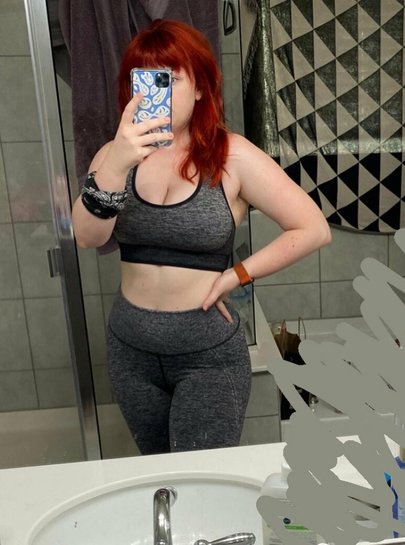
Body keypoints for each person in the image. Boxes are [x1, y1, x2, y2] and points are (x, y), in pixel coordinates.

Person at [71, 19, 331, 455]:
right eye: (147, 79)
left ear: (199, 87)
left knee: (201, 478)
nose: (158, 92)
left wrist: (236, 275)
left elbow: (313, 228)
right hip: (131, 353)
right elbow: (86, 236)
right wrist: (115, 163)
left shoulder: (233, 156)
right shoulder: (114, 157)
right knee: (160, 474)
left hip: (207, 356)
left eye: (172, 78)